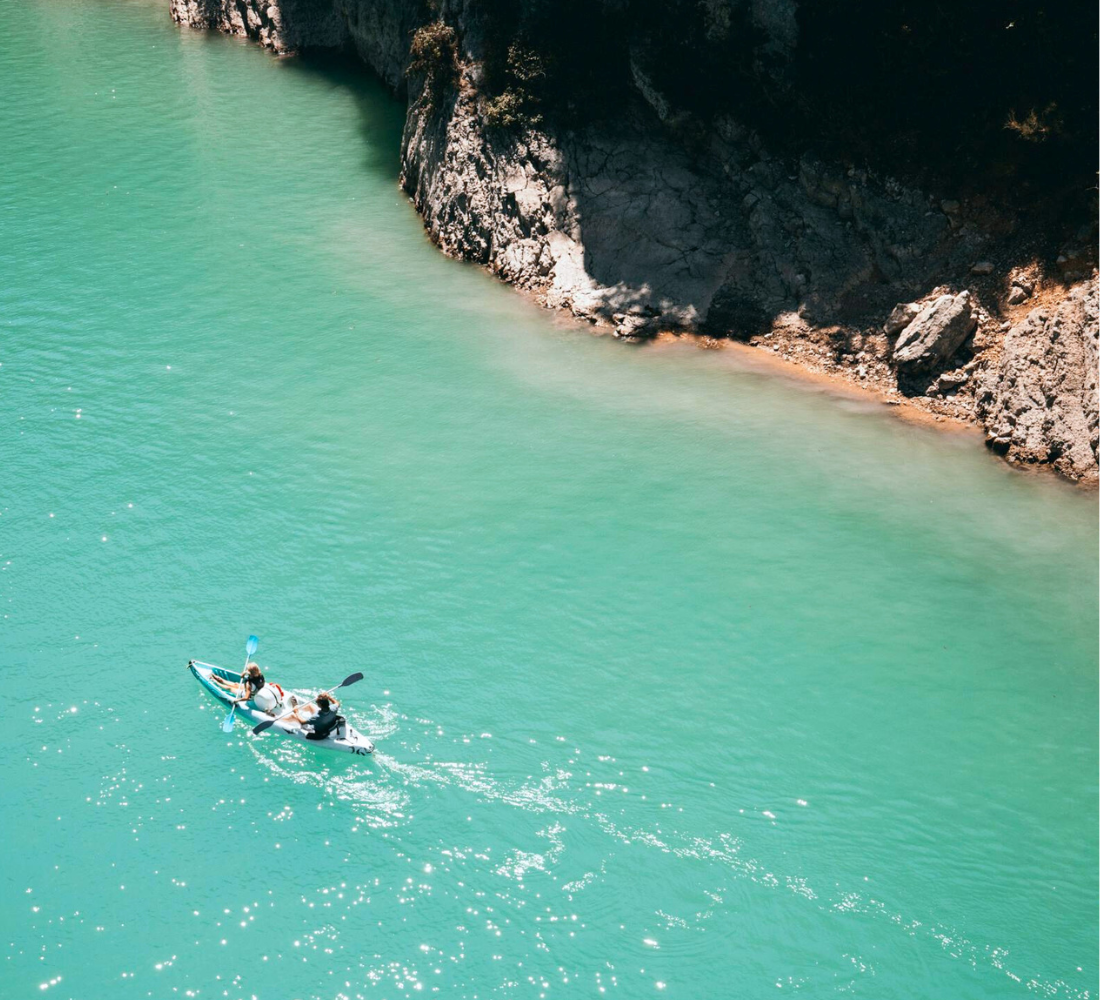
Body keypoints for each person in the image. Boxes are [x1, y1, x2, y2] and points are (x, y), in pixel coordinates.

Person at [210, 662, 283, 715]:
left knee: (229, 688)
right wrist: (245, 673)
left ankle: (216, 682)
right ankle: (219, 679)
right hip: (256, 689)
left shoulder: (248, 684)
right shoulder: (260, 675)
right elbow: (242, 676)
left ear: (250, 673)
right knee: (235, 684)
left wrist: (236, 700)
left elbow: (246, 697)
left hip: (251, 695)